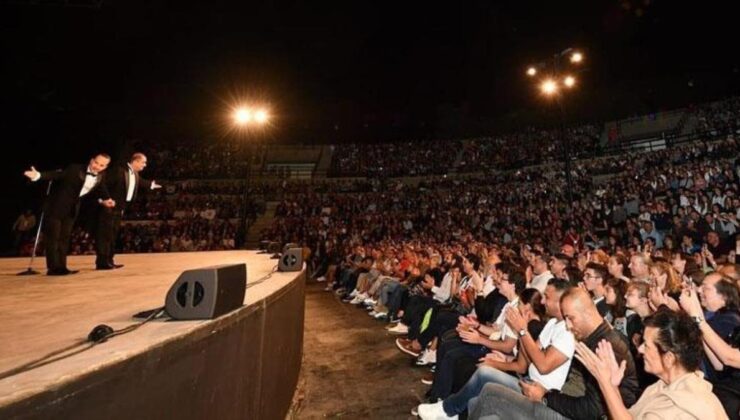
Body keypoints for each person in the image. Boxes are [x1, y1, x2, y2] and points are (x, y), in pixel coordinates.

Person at [466, 288, 639, 420]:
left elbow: (591, 410)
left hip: (569, 411)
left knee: (490, 397)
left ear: (586, 312)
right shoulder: (590, 335)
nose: (568, 325)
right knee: (480, 405)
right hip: (561, 398)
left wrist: (545, 396)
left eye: (571, 318)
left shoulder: (606, 345)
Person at [575, 309, 728, 419]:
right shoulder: (662, 387)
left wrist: (605, 384)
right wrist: (612, 386)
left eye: (646, 345)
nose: (640, 349)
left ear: (668, 358)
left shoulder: (683, 407)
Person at [23, 154, 115, 275]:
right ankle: (53, 268)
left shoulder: (101, 176)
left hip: (71, 210)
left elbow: (101, 189)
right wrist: (38, 175)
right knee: (53, 238)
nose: (97, 166)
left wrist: (107, 199)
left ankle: (62, 266)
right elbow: (57, 175)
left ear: (105, 167)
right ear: (91, 160)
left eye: (101, 165)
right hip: (56, 207)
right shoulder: (75, 169)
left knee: (64, 239)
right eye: (96, 163)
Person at [95, 153, 160, 269]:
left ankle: (109, 260)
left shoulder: (135, 174)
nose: (144, 165)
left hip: (120, 208)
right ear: (136, 161)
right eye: (143, 162)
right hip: (109, 207)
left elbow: (140, 181)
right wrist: (105, 198)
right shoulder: (119, 170)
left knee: (113, 235)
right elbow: (102, 182)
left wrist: (151, 184)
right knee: (105, 235)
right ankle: (102, 262)